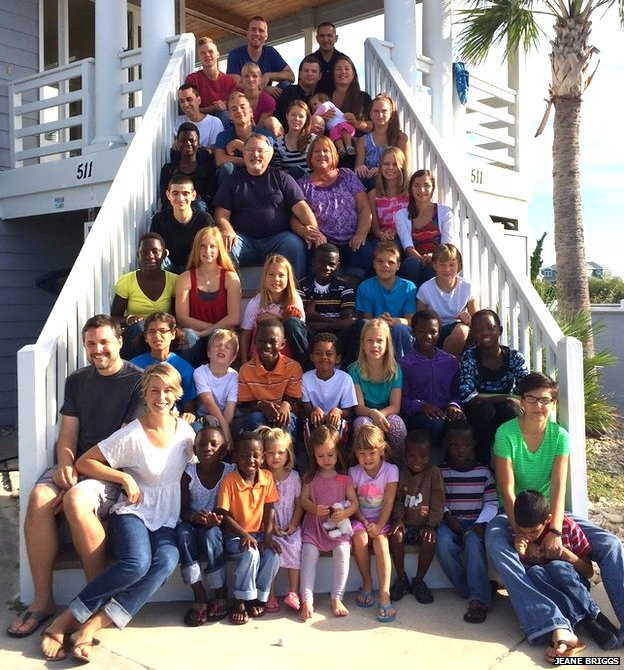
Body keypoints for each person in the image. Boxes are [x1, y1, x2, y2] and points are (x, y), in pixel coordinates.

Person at [39, 363, 195, 662]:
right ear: (145, 394)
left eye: (168, 391)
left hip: (167, 518)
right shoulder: (132, 434)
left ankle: (91, 626)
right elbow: (85, 462)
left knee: (166, 561)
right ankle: (65, 620)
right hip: (132, 512)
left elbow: (197, 471)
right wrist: (123, 477)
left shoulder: (185, 433)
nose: (161, 397)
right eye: (154, 391)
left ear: (177, 394)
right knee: (137, 563)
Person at [8, 315, 143, 640]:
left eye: (104, 342)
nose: (98, 349)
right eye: (90, 343)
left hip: (110, 470)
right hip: (79, 465)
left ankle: (91, 602)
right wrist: (66, 463)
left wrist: (81, 469)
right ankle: (42, 600)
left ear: (120, 342)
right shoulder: (78, 380)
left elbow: (121, 443)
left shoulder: (138, 381)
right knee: (39, 497)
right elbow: (68, 433)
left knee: (76, 500)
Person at [486, 372, 624, 659]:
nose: (539, 405)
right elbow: (507, 491)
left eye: (545, 400)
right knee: (497, 544)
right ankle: (554, 623)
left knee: (610, 544)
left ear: (553, 403)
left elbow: (559, 489)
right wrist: (521, 534)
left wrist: (555, 531)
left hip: (549, 514)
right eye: (532, 399)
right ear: (521, 401)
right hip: (512, 514)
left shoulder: (559, 436)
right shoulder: (506, 434)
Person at [513, 489, 621, 652]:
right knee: (534, 572)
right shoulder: (519, 539)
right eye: (523, 532)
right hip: (552, 593)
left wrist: (564, 554)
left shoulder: (567, 526)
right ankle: (588, 621)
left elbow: (588, 572)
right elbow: (524, 582)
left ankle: (594, 613)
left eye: (534, 531)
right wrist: (522, 554)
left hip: (575, 584)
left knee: (556, 567)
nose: (529, 537)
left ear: (548, 520)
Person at [214, 132, 320, 279]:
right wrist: (227, 229)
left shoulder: (282, 178)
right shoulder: (232, 181)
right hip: (244, 241)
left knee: (294, 244)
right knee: (225, 245)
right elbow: (221, 215)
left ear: (269, 155)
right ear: (244, 154)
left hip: (278, 240)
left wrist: (314, 231)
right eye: (250, 150)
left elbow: (301, 208)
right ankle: (232, 289)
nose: (255, 154)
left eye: (260, 150)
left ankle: (297, 289)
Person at [216, 431, 281, 625]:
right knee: (251, 553)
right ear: (235, 457)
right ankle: (240, 600)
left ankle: (258, 597)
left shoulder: (267, 477)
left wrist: (267, 537)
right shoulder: (230, 481)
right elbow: (223, 514)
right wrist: (245, 535)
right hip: (235, 536)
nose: (251, 460)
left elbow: (270, 507)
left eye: (256, 455)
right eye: (245, 455)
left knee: (273, 556)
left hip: (259, 535)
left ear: (262, 457)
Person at [437, 421, 497, 623]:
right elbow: (437, 500)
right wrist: (447, 516)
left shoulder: (484, 472)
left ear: (473, 444)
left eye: (466, 444)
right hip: (449, 522)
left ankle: (479, 600)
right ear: (446, 445)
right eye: (454, 445)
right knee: (443, 542)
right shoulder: (440, 472)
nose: (460, 449)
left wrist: (480, 524)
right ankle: (469, 588)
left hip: (476, 522)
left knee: (473, 542)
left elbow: (491, 503)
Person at [295, 135, 373, 285]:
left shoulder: (347, 175)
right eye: (317, 151)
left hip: (351, 240)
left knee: (366, 250)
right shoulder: (302, 185)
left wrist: (360, 234)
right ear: (310, 156)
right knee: (313, 251)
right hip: (323, 242)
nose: (321, 154)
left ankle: (347, 286)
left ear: (334, 155)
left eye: (326, 151)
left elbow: (364, 208)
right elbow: (294, 218)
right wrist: (304, 231)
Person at [299, 425, 358, 621]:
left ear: (338, 452)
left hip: (338, 529)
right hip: (314, 528)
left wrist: (345, 513)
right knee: (308, 554)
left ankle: (337, 597)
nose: (326, 460)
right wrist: (314, 508)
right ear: (313, 456)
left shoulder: (344, 479)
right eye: (320, 456)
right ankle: (307, 600)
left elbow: (355, 503)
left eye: (330, 454)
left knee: (342, 552)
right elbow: (303, 500)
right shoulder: (310, 478)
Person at [176, 426, 234, 626]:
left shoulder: (230, 472)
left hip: (217, 524)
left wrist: (217, 518)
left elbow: (232, 504)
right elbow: (183, 511)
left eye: (213, 444)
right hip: (192, 523)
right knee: (182, 533)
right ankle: (199, 593)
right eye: (202, 444)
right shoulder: (188, 474)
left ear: (223, 450)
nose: (207, 448)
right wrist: (195, 517)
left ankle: (220, 593)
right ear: (194, 449)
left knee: (212, 536)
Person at [459, 309, 528, 465]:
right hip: (478, 411)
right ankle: (482, 466)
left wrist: (508, 400)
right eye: (478, 330)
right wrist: (507, 397)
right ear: (473, 334)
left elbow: (524, 392)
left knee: (510, 410)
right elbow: (468, 396)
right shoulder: (469, 357)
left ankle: (512, 465)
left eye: (490, 328)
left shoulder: (514, 357)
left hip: (504, 411)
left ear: (500, 330)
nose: (484, 333)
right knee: (484, 409)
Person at [349, 424, 399, 623]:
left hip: (382, 519)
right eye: (362, 454)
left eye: (372, 453)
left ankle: (385, 593)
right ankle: (367, 583)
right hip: (360, 518)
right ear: (356, 454)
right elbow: (353, 502)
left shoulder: (391, 470)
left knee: (381, 543)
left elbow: (389, 501)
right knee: (359, 538)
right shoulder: (354, 472)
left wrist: (378, 526)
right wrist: (363, 521)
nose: (367, 458)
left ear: (382, 450)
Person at [389, 429, 444, 604]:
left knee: (429, 540)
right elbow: (397, 500)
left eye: (423, 456)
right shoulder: (401, 474)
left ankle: (418, 581)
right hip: (406, 524)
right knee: (395, 535)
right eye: (411, 456)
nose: (417, 461)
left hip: (424, 526)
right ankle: (401, 579)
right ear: (405, 456)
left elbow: (438, 501)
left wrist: (431, 525)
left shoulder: (434, 473)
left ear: (430, 454)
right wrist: (398, 518)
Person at [400, 309, 463, 457]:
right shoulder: (405, 364)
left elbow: (458, 392)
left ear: (439, 333)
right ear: (413, 332)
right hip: (418, 416)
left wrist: (454, 405)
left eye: (433, 332)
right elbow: (402, 400)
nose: (428, 336)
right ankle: (433, 462)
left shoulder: (450, 361)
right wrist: (421, 406)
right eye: (421, 331)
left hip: (445, 411)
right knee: (436, 423)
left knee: (461, 425)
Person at [175, 226, 241, 367]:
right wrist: (206, 331)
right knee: (187, 335)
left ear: (219, 249)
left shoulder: (230, 278)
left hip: (220, 335)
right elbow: (182, 318)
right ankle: (187, 378)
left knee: (220, 336)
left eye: (212, 246)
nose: (207, 251)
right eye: (202, 246)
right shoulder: (185, 278)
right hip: (194, 335)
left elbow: (234, 318)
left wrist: (209, 331)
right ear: (196, 249)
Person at [111, 232, 178, 360]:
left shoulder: (175, 281)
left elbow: (177, 315)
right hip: (137, 334)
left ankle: (177, 367)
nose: (150, 256)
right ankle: (134, 368)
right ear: (138, 255)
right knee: (140, 327)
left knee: (186, 335)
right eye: (144, 252)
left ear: (164, 254)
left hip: (164, 334)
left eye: (155, 252)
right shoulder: (127, 281)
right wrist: (129, 319)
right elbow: (114, 318)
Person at [235, 316, 303, 443]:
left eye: (273, 342)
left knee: (287, 420)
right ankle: (261, 453)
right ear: (254, 342)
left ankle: (286, 453)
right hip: (260, 412)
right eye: (261, 341)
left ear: (282, 344)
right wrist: (261, 405)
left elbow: (292, 397)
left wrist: (285, 405)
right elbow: (248, 403)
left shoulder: (293, 367)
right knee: (255, 418)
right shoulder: (246, 370)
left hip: (285, 412)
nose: (267, 346)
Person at [348, 318, 407, 462]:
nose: (374, 345)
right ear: (362, 343)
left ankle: (398, 464)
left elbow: (395, 406)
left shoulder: (395, 370)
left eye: (380, 341)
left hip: (387, 414)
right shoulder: (354, 370)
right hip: (365, 414)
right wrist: (373, 413)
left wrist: (381, 415)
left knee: (396, 423)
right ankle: (365, 464)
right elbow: (358, 408)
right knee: (362, 424)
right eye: (369, 340)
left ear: (387, 343)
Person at [258, 427, 303, 613]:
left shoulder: (294, 476)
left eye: (281, 452)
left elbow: (299, 504)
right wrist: (270, 526)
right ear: (263, 454)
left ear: (288, 453)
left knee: (295, 545)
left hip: (290, 525)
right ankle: (270, 593)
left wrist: (294, 524)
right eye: (271, 453)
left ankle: (293, 592)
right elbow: (259, 506)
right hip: (269, 527)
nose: (276, 457)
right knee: (271, 553)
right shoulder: (262, 477)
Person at [297, 242, 360, 366]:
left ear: (338, 266)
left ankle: (347, 368)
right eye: (322, 262)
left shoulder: (345, 287)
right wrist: (337, 323)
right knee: (292, 324)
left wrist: (314, 315)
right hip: (311, 336)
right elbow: (303, 321)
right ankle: (307, 366)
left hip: (338, 337)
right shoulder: (302, 285)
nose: (326, 267)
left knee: (362, 325)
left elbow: (348, 322)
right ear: (313, 262)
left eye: (331, 264)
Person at [239, 253, 308, 367]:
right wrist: (244, 362)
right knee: (263, 328)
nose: (276, 279)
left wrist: (275, 318)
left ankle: (303, 365)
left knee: (290, 324)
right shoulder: (256, 302)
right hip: (261, 349)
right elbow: (246, 333)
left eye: (281, 275)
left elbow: (298, 329)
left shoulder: (294, 298)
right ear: (265, 277)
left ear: (288, 278)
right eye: (271, 274)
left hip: (285, 347)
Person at [130, 311, 197, 424]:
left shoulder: (184, 368)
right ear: (146, 337)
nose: (157, 336)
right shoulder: (134, 366)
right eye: (152, 331)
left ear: (172, 334)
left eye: (162, 331)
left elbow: (189, 408)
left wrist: (189, 415)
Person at [355, 240, 417, 360]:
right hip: (376, 327)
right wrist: (380, 322)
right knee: (364, 324)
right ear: (374, 264)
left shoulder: (408, 287)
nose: (385, 265)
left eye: (391, 262)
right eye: (380, 261)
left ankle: (403, 366)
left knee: (400, 329)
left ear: (398, 265)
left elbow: (411, 320)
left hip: (399, 329)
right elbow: (367, 318)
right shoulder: (365, 287)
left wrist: (394, 321)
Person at [417, 244, 479, 359]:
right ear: (434, 265)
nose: (447, 269)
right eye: (442, 265)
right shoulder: (425, 289)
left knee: (462, 330)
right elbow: (419, 320)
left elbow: (477, 320)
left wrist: (469, 319)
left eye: (451, 265)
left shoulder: (467, 287)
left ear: (459, 266)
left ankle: (445, 363)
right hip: (434, 333)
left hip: (459, 332)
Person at [396, 169, 454, 286]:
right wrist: (422, 259)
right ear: (411, 189)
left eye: (426, 185)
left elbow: (446, 245)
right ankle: (412, 297)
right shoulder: (401, 215)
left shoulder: (445, 212)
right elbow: (408, 246)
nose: (421, 190)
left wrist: (433, 257)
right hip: (414, 259)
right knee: (412, 264)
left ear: (432, 188)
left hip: (438, 258)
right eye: (416, 185)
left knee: (432, 267)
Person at [301, 332, 357, 448]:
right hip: (316, 419)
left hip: (336, 420)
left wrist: (338, 411)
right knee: (308, 425)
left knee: (341, 425)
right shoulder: (305, 378)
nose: (324, 357)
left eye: (329, 353)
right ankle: (312, 459)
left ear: (337, 358)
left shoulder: (345, 379)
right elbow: (306, 410)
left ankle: (338, 458)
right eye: (318, 353)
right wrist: (314, 410)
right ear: (311, 357)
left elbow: (348, 412)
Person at [150, 174, 215, 273]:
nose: (180, 198)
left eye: (185, 193)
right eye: (175, 193)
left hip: (196, 268)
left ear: (193, 196)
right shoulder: (159, 220)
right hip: (168, 269)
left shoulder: (204, 220)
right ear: (168, 195)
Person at [212, 92, 274, 185]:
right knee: (226, 168)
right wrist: (250, 161)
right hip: (233, 180)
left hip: (258, 179)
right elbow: (220, 160)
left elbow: (267, 158)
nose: (239, 111)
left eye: (242, 107)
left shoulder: (265, 135)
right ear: (229, 116)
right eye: (234, 109)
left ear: (251, 111)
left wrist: (237, 144)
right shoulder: (223, 136)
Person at [226, 16, 295, 98]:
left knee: (286, 85)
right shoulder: (235, 55)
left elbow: (291, 76)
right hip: (244, 99)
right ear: (247, 33)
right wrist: (263, 89)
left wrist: (268, 75)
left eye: (261, 30)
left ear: (266, 36)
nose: (257, 33)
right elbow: (236, 85)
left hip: (266, 99)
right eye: (253, 29)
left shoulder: (270, 52)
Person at [193, 329, 239, 447]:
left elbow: (230, 409)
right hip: (205, 416)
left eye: (227, 347)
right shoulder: (200, 372)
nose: (222, 348)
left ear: (233, 357)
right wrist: (226, 433)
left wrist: (223, 431)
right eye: (218, 345)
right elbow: (210, 404)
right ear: (208, 352)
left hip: (225, 419)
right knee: (199, 426)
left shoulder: (234, 377)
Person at [355, 94, 410, 191]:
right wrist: (361, 167)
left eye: (384, 111)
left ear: (391, 114)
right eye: (376, 111)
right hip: (369, 183)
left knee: (376, 179)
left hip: (392, 183)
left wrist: (381, 171)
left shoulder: (401, 138)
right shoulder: (363, 140)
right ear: (370, 114)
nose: (380, 115)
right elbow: (358, 166)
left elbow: (406, 170)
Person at [159, 122, 217, 212]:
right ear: (177, 143)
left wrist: (190, 200)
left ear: (198, 143)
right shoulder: (168, 169)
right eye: (183, 140)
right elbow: (165, 198)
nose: (188, 143)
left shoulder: (208, 169)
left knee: (198, 205)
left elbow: (210, 197)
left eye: (192, 140)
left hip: (200, 211)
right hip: (174, 209)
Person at [185, 37, 237, 125]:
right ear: (199, 57)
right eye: (203, 53)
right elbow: (191, 109)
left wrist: (223, 106)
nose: (207, 55)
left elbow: (234, 108)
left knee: (223, 113)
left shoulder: (230, 81)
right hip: (200, 122)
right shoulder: (192, 79)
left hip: (224, 122)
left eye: (210, 51)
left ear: (218, 54)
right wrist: (214, 108)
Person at [368, 146, 410, 241]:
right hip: (383, 239)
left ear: (402, 167)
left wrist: (397, 232)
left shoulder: (410, 193)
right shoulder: (373, 195)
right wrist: (381, 235)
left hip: (406, 238)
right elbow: (375, 227)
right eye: (386, 164)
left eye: (395, 164)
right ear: (380, 166)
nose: (390, 168)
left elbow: (416, 222)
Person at [271, 99, 316, 179]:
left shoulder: (314, 140)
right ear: (287, 116)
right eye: (293, 115)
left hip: (312, 183)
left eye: (301, 116)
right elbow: (277, 174)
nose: (297, 118)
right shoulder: (278, 144)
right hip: (290, 184)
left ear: (306, 119)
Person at [329, 55, 372, 139]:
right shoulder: (325, 98)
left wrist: (356, 123)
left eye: (347, 69)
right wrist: (323, 118)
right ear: (333, 74)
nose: (343, 72)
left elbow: (374, 125)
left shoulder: (364, 97)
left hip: (358, 143)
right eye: (338, 69)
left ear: (353, 74)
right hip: (331, 143)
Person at [274, 55, 323, 128]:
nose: (310, 74)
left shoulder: (322, 96)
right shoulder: (289, 92)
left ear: (320, 76)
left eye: (314, 71)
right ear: (300, 74)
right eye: (306, 71)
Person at [174, 84, 224, 150]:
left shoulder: (215, 122)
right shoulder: (179, 121)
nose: (185, 104)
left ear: (199, 100)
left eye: (189, 99)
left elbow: (216, 150)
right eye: (181, 101)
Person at [240, 62, 283, 138]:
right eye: (246, 76)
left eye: (254, 76)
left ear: (260, 79)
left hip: (262, 135)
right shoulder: (237, 99)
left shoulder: (268, 100)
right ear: (242, 79)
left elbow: (259, 128)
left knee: (272, 121)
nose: (250, 79)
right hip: (240, 132)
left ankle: (279, 145)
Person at [310, 91, 356, 157]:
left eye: (315, 104)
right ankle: (341, 148)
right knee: (334, 134)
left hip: (343, 123)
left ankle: (349, 146)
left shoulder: (328, 104)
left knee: (343, 129)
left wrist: (314, 116)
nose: (313, 108)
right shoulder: (322, 115)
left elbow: (323, 108)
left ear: (323, 101)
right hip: (335, 128)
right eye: (312, 107)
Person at [310, 22, 347, 95]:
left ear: (336, 38)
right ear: (317, 38)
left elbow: (353, 86)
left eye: (329, 35)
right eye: (322, 36)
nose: (326, 39)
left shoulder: (344, 61)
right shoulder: (309, 61)